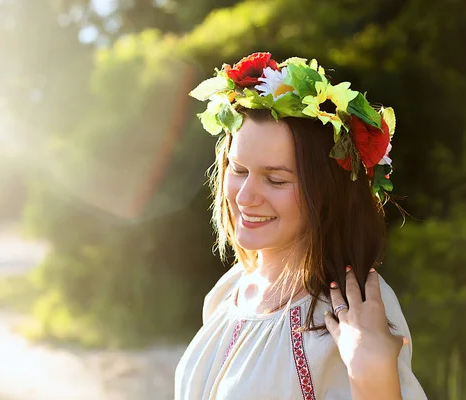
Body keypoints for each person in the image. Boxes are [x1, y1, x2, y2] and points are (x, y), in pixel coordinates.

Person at [175, 52, 427, 400]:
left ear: (327, 193)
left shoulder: (357, 310)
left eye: (276, 180)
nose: (246, 197)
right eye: (239, 170)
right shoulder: (227, 292)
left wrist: (374, 378)